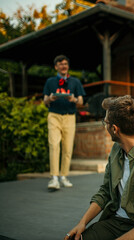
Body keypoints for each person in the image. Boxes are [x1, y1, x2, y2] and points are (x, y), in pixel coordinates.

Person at [65, 95, 134, 240]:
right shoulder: (116, 150)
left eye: (106, 122)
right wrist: (82, 223)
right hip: (117, 221)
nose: (105, 125)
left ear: (114, 129)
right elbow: (105, 192)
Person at [43, 55, 86, 190]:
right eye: (60, 64)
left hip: (69, 117)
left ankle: (64, 176)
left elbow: (81, 102)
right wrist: (50, 98)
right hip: (54, 116)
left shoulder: (75, 82)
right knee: (54, 145)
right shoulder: (50, 81)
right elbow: (44, 101)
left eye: (65, 64)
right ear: (56, 67)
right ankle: (54, 178)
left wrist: (73, 99)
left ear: (68, 66)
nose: (63, 66)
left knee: (67, 148)